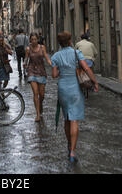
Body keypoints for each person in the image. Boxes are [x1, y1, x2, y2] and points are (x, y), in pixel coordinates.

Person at [51, 31, 98, 163]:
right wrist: (95, 81)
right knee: (74, 120)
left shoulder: (55, 56)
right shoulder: (76, 53)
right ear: (70, 41)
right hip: (75, 89)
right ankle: (72, 152)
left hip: (63, 89)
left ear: (60, 43)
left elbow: (54, 75)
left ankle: (68, 145)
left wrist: (62, 68)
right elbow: (87, 69)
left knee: (67, 119)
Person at [24, 33, 52, 122]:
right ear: (30, 40)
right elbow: (26, 58)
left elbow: (46, 57)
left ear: (37, 39)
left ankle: (40, 104)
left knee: (42, 95)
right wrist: (24, 63)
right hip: (32, 71)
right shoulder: (28, 49)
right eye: (32, 39)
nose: (34, 41)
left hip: (41, 71)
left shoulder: (42, 47)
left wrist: (51, 63)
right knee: (35, 93)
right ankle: (37, 114)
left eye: (35, 39)